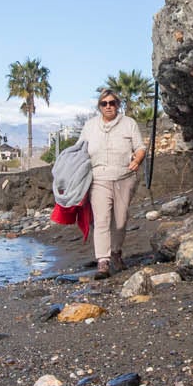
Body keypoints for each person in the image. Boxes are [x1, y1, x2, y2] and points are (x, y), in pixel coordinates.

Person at [84, 90, 147, 277]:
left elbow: (140, 147)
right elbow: (79, 152)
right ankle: (102, 261)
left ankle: (116, 252)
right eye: (104, 103)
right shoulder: (89, 126)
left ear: (118, 104)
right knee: (102, 220)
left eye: (112, 102)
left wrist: (137, 161)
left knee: (119, 221)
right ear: (99, 106)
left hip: (124, 177)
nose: (108, 106)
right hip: (99, 179)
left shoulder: (129, 124)